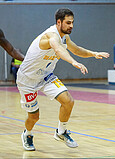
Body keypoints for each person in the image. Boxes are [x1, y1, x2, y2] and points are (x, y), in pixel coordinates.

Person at [17, 8, 109, 151]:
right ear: (58, 22)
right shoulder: (50, 36)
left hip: (46, 76)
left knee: (68, 101)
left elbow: (76, 49)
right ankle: (27, 134)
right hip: (27, 80)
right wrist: (74, 62)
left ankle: (61, 132)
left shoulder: (64, 37)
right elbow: (59, 50)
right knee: (34, 116)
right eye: (68, 23)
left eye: (72, 23)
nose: (71, 26)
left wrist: (94, 53)